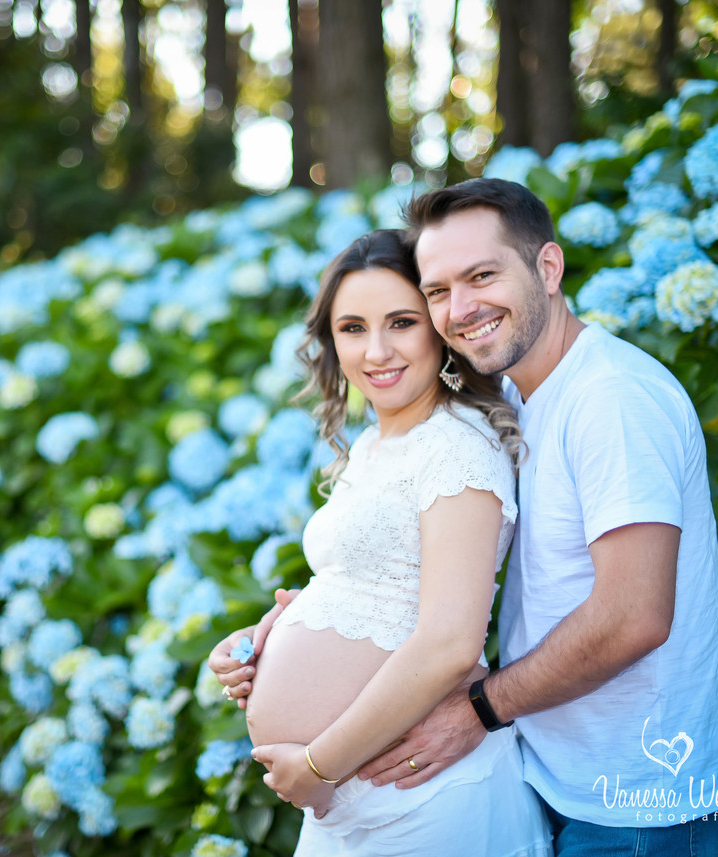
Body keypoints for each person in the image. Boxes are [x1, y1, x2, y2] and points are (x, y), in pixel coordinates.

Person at [212, 179, 718, 856]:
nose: (460, 308)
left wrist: (480, 709)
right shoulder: (521, 398)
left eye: (481, 276)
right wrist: (298, 621)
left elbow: (634, 615)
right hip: (559, 771)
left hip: (641, 798)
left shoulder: (611, 399)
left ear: (548, 268)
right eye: (437, 290)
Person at [234, 228, 552, 856]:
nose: (375, 351)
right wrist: (261, 641)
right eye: (352, 328)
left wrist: (320, 766)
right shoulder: (378, 445)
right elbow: (377, 589)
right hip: (360, 797)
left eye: (401, 322)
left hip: (419, 797)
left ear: (438, 327)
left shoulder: (456, 444)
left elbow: (449, 645)